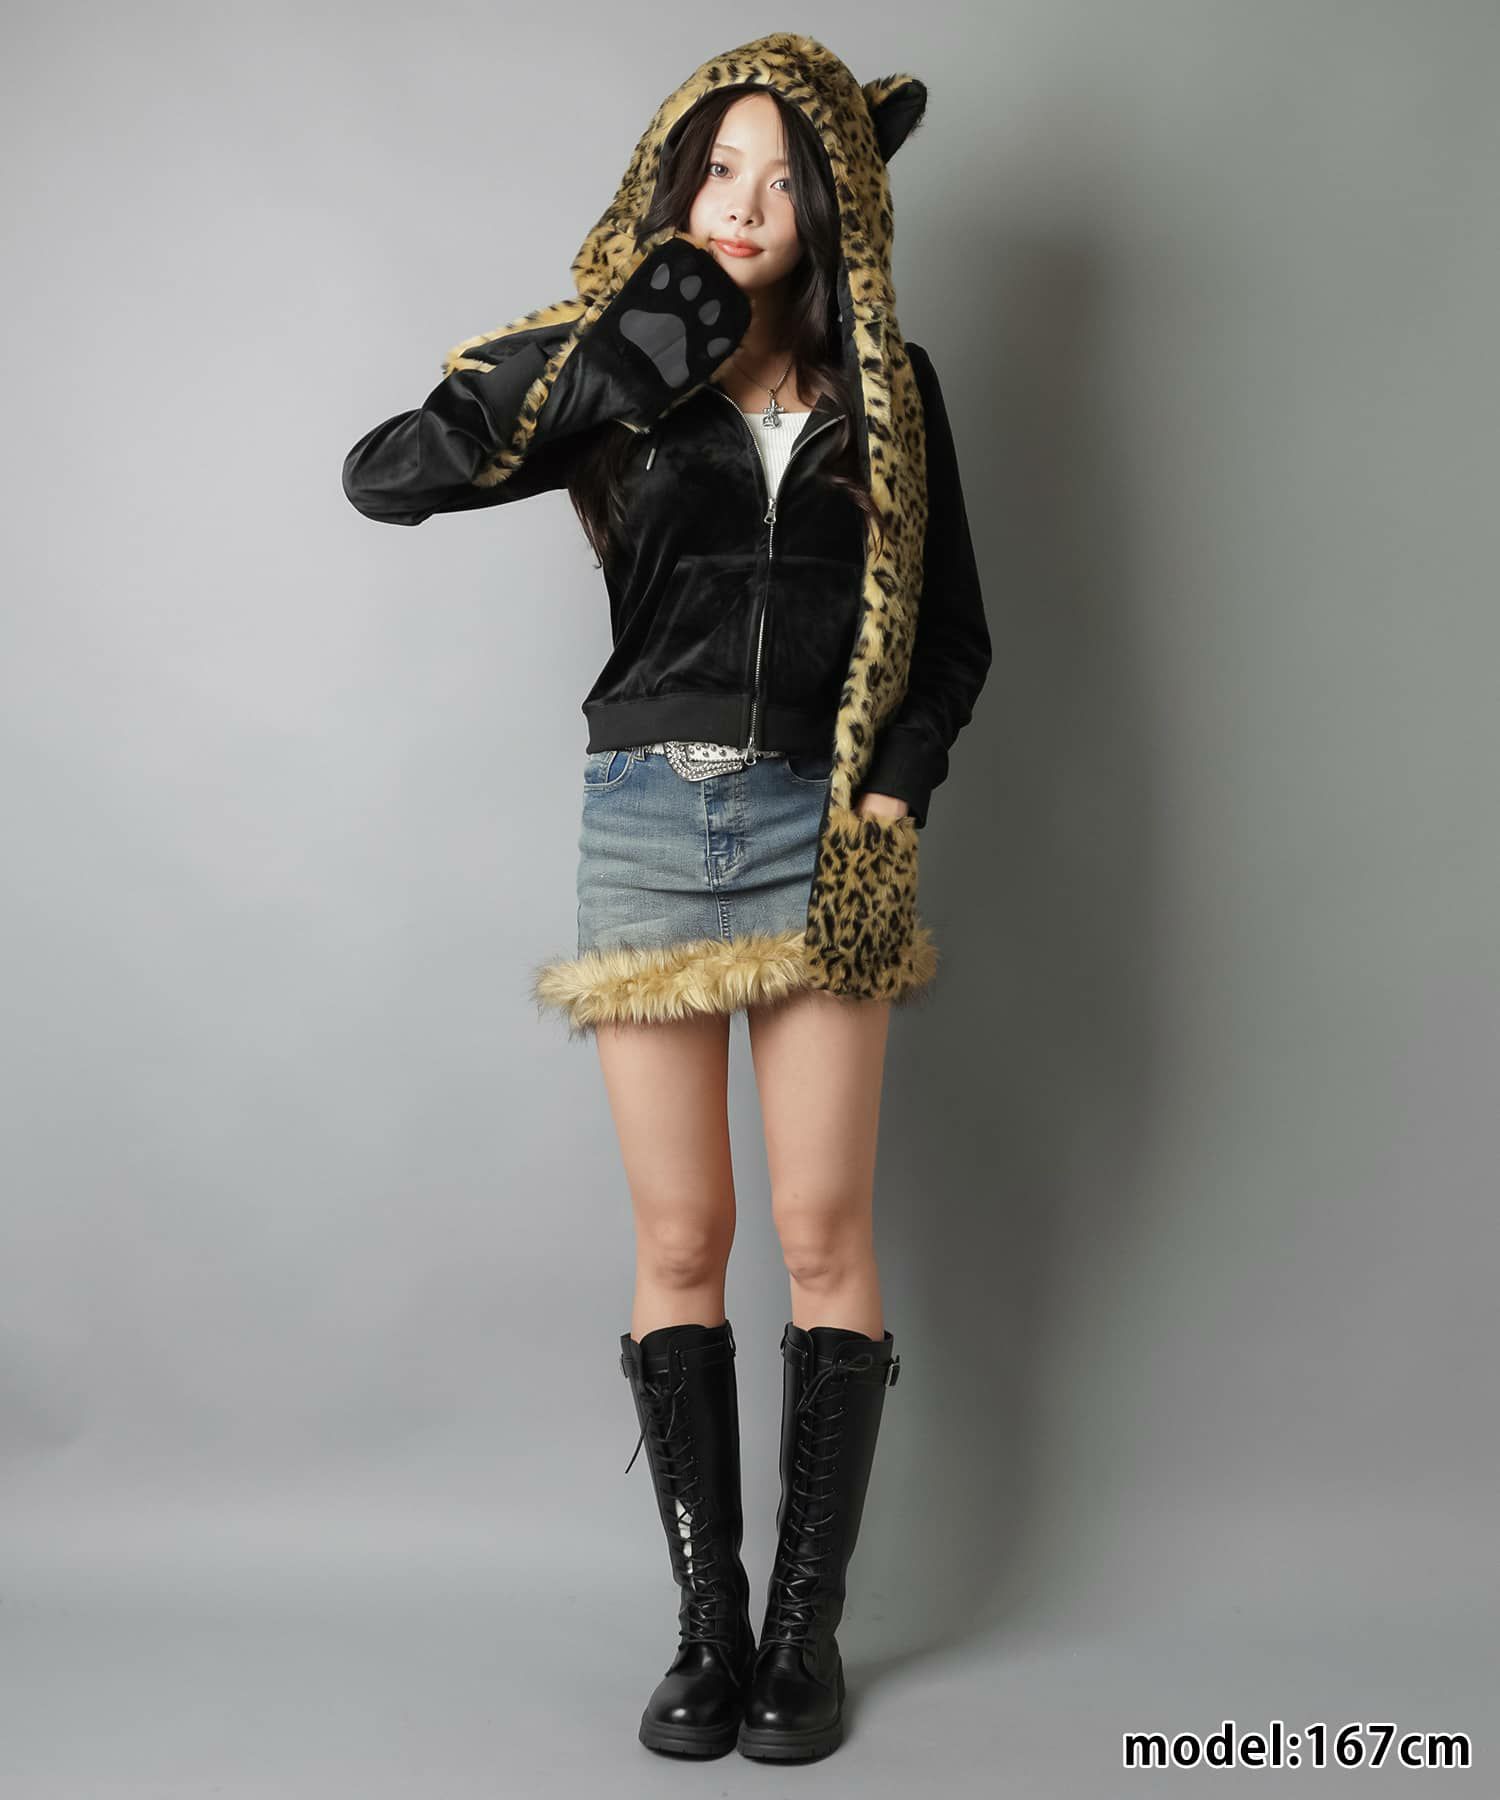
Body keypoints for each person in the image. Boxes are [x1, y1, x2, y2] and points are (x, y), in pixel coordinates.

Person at [342, 33, 990, 1766]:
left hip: (818, 830)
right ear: (674, 185)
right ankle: (707, 1630)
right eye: (720, 170)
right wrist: (623, 349)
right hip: (644, 820)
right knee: (684, 1239)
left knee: (824, 1233)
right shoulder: (624, 382)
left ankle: (803, 1639)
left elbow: (949, 638)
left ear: (835, 206)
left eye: (785, 176)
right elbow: (389, 474)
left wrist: (889, 794)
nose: (748, 203)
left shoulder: (891, 386)